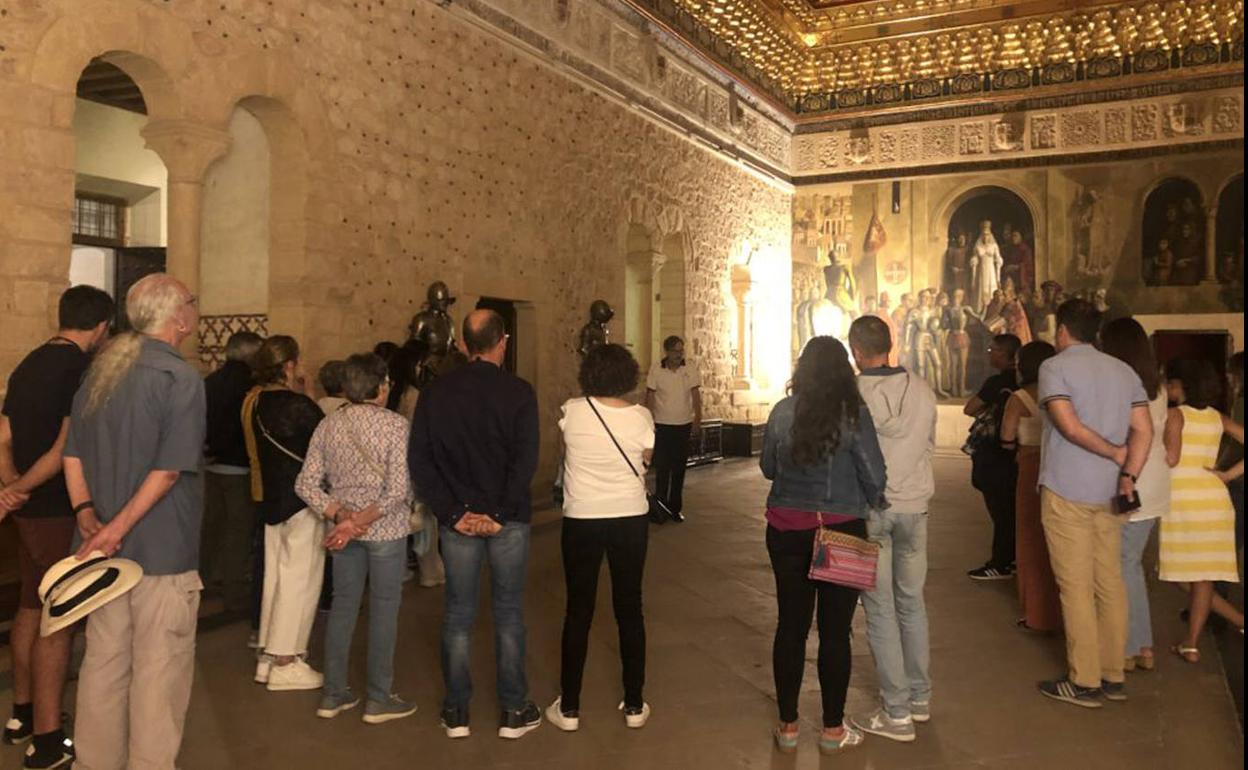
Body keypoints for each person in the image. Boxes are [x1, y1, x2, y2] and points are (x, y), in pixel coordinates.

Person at [61, 274, 205, 769]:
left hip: (104, 555)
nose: (195, 309)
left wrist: (87, 514)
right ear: (178, 317)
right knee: (158, 675)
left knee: (103, 666)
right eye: (192, 301)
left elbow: (72, 453)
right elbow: (167, 472)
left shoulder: (101, 373)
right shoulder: (180, 379)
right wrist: (115, 528)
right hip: (161, 555)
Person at [409, 310, 542, 740]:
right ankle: (513, 710)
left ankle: (456, 712)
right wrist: (500, 513)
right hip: (509, 523)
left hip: (458, 521)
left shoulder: (436, 393)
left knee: (458, 615)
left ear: (464, 345)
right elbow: (525, 462)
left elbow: (421, 462)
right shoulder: (519, 393)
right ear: (502, 341)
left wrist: (453, 512)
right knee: (507, 614)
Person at [0, 285, 113, 769]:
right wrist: (22, 488)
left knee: (29, 606)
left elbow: (2, 434)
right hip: (55, 509)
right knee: (58, 619)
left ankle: (21, 715)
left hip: (25, 510)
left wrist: (10, 488)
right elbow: (67, 448)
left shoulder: (28, 362)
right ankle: (47, 742)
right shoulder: (81, 369)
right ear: (103, 326)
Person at [761, 336, 887, 755]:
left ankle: (788, 725)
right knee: (836, 633)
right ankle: (833, 729)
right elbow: (874, 474)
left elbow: (767, 467)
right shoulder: (854, 413)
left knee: (790, 627)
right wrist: (874, 503)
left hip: (786, 528)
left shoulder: (782, 412)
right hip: (842, 529)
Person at [1035, 299, 1153, 708]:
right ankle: (1113, 675)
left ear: (1063, 330)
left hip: (1068, 492)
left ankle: (1084, 682)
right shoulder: (1123, 371)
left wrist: (1114, 454)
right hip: (1110, 494)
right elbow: (1144, 430)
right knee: (1110, 583)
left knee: (1076, 588)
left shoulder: (1055, 367)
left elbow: (1067, 426)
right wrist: (1128, 474)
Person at [296, 353, 417, 723]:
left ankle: (334, 694)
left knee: (343, 606)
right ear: (382, 388)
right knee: (384, 611)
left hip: (343, 535)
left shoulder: (329, 425)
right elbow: (398, 490)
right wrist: (361, 520)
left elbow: (305, 484)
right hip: (386, 532)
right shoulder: (397, 426)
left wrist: (343, 518)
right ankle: (379, 699)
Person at [546, 344, 655, 733]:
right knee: (630, 607)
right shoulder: (642, 416)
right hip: (629, 517)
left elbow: (565, 454)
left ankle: (571, 707)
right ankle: (635, 704)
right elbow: (646, 460)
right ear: (627, 375)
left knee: (579, 609)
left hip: (583, 517)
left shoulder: (571, 411)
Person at [845, 317, 936, 743]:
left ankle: (895, 712)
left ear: (856, 351)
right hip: (915, 506)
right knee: (912, 603)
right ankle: (919, 699)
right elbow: (929, 445)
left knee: (879, 609)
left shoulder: (854, 394)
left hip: (872, 509)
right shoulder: (921, 388)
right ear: (890, 344)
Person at [247, 336, 326, 691]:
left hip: (271, 498)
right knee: (300, 579)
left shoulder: (255, 401)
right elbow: (325, 440)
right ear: (289, 365)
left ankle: (267, 655)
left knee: (275, 580)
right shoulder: (297, 406)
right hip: (301, 501)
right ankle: (286, 660)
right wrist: (307, 392)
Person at [1161, 359, 1245, 662]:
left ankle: (1237, 622)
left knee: (1179, 574)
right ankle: (1192, 644)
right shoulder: (1217, 417)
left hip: (1184, 498)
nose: (1167, 387)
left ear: (1182, 386)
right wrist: (1227, 475)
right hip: (1214, 496)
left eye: (1170, 382)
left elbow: (1171, 458)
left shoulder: (1175, 416)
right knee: (1204, 576)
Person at [1101, 319, 1169, 672]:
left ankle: (1129, 647)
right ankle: (1142, 646)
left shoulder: (1124, 386)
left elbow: (1122, 438)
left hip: (1133, 482)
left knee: (1121, 566)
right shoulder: (1157, 386)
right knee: (1131, 566)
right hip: (1154, 483)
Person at [1000, 341, 1062, 633]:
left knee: (1029, 538)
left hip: (1029, 466)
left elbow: (1006, 435)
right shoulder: (1061, 391)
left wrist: (1009, 448)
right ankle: (1060, 611)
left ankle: (1036, 613)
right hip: (1059, 465)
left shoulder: (1020, 397)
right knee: (1057, 540)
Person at [201, 331, 263, 624]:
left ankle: (202, 583)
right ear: (251, 355)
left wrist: (209, 449)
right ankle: (234, 594)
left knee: (210, 529)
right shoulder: (251, 387)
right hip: (240, 468)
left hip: (211, 465)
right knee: (238, 533)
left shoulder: (210, 381)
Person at [964, 334, 1021, 580]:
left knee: (1002, 512)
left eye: (994, 349)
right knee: (1013, 511)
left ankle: (1002, 562)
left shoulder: (998, 383)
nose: (989, 353)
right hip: (1020, 454)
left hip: (997, 454)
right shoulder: (1026, 383)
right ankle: (1016, 559)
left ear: (1007, 355)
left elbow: (970, 408)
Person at [644, 335, 701, 522]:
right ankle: (660, 508)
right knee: (662, 467)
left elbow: (695, 394)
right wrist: (648, 420)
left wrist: (697, 420)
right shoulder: (656, 369)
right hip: (662, 424)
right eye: (675, 351)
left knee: (678, 468)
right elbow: (650, 395)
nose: (679, 354)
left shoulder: (689, 368)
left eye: (681, 350)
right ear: (667, 352)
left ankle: (675, 508)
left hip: (682, 424)